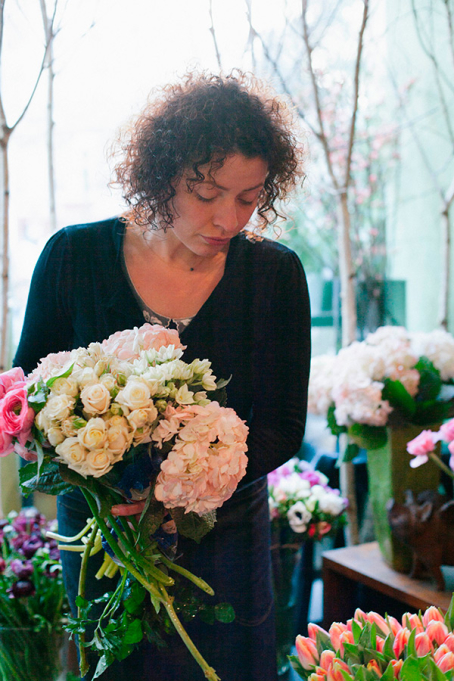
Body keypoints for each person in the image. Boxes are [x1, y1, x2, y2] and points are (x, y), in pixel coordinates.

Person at [14, 71, 311, 681]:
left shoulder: (274, 276)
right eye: (207, 194)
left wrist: (182, 490)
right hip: (104, 535)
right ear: (163, 173)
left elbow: (283, 426)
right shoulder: (74, 257)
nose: (228, 217)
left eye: (249, 197)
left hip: (225, 536)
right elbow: (24, 408)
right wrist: (108, 483)